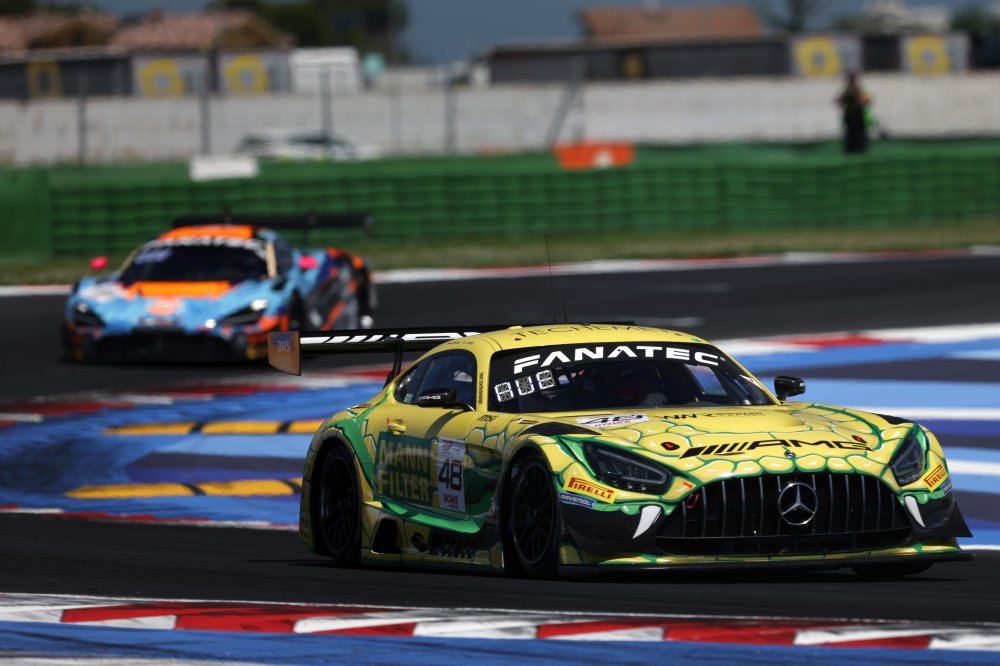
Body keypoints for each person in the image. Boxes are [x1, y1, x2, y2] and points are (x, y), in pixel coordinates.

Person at [836, 71, 872, 154]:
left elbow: (868, 100)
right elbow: (839, 100)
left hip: (859, 117)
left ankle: (861, 149)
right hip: (850, 117)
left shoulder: (861, 90)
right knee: (850, 136)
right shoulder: (846, 91)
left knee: (860, 136)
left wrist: (859, 99)